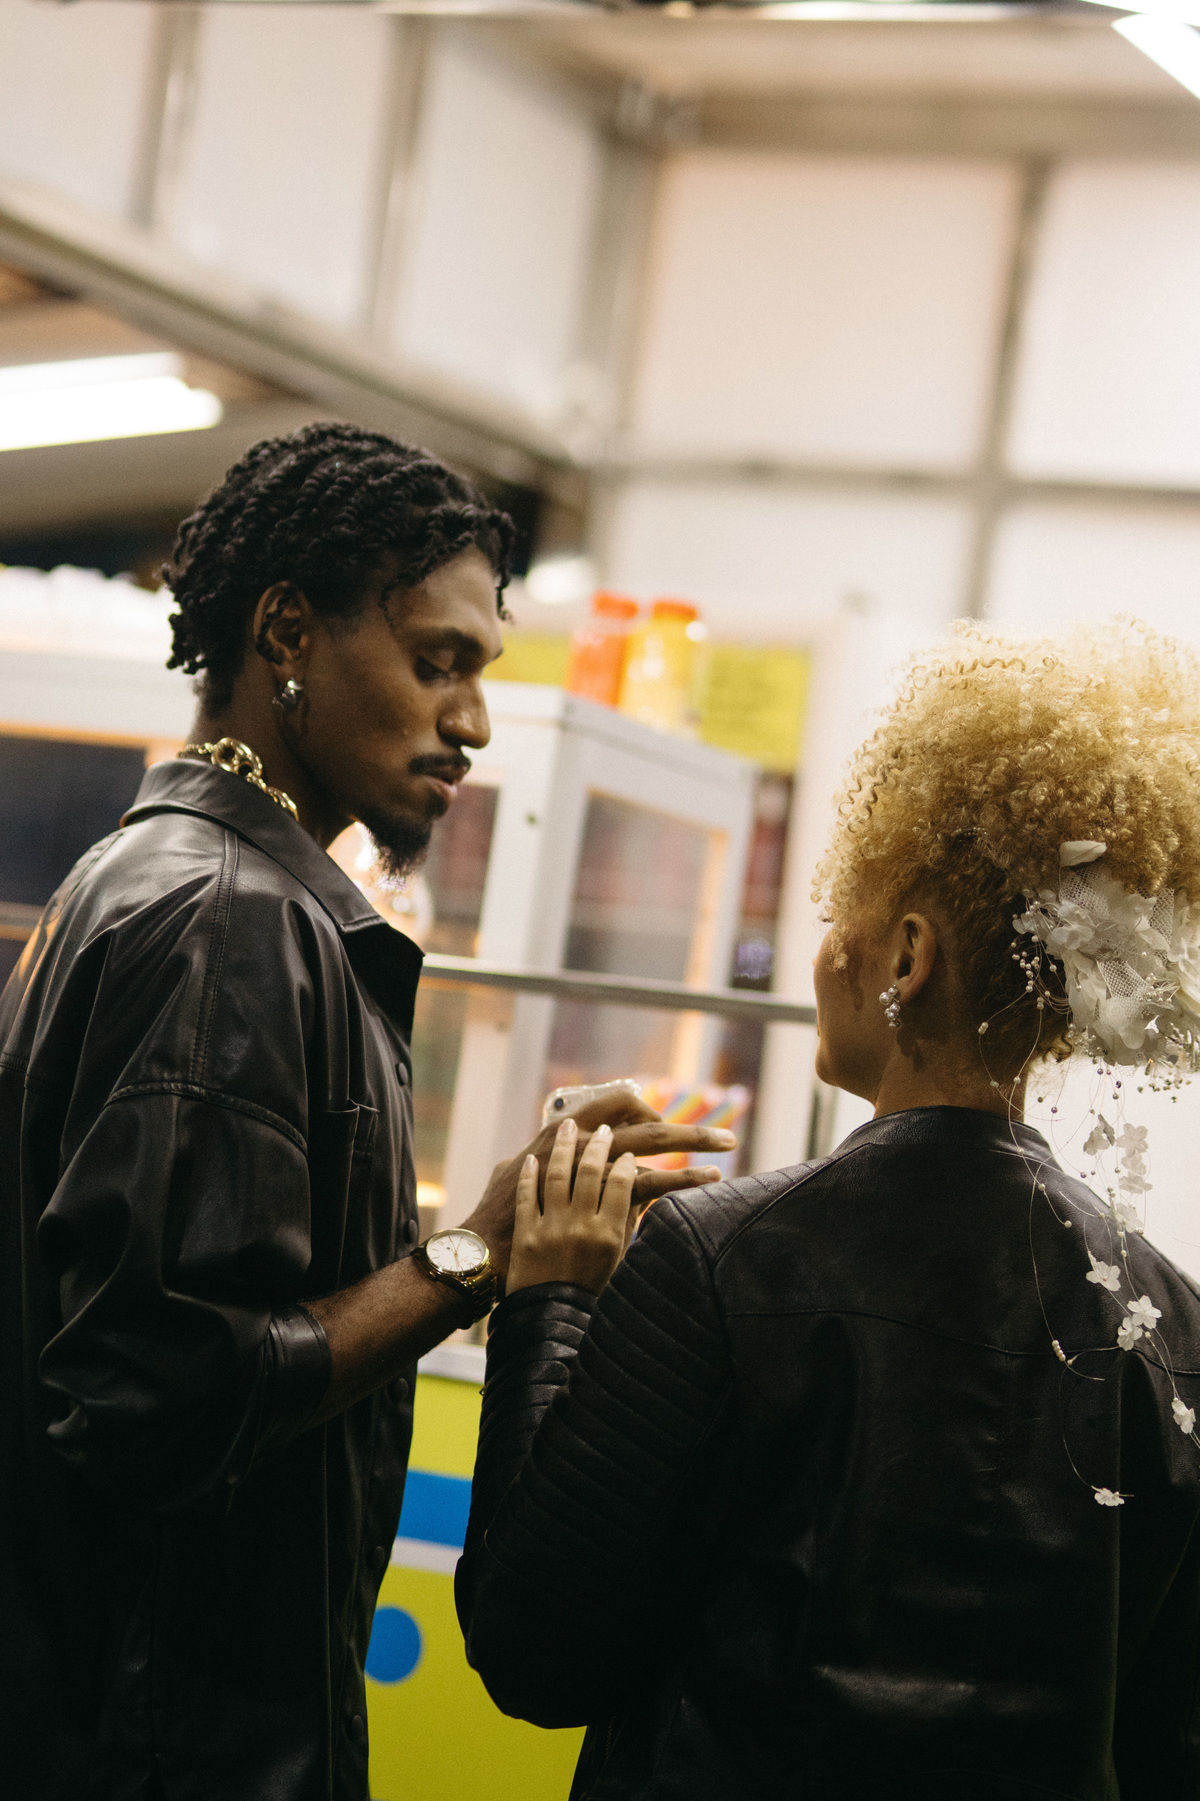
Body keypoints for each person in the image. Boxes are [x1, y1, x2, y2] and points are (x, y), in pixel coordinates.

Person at [0, 423, 735, 1801]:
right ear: (287, 631)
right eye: (436, 662)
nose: (473, 721)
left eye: (481, 671)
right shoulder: (225, 916)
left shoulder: (157, 875)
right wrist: (476, 1256)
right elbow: (157, 1394)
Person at [458, 619, 1200, 1798]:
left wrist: (549, 1299)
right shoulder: (1170, 1325)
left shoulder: (719, 1259)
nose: (822, 954)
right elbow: (1166, 1737)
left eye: (838, 912)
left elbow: (533, 1647)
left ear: (907, 956)